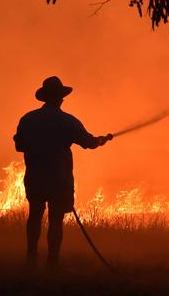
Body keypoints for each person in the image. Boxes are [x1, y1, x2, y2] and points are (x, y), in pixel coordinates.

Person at [13, 76, 112, 267]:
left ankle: (31, 256)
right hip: (59, 179)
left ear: (44, 98)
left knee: (34, 215)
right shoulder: (68, 121)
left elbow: (19, 146)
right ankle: (53, 260)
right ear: (60, 98)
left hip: (35, 176)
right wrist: (101, 140)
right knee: (56, 220)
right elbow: (88, 143)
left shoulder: (28, 119)